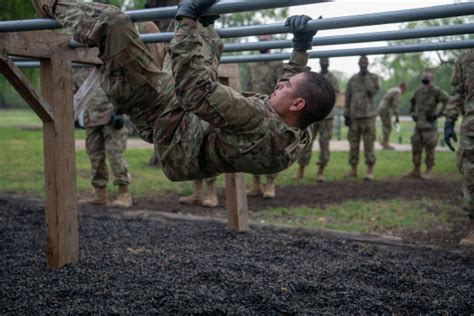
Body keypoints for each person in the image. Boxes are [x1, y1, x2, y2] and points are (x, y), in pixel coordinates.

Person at [31, 0, 335, 182]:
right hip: (181, 114)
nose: (278, 84)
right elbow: (299, 89)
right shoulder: (299, 132)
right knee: (154, 30)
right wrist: (301, 47)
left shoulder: (257, 119)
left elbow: (194, 89)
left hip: (160, 112)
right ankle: (193, 30)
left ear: (295, 105)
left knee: (114, 22)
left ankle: (49, 3)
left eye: (284, 87)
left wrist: (188, 20)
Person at [74, 69, 132, 208]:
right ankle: (100, 194)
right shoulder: (77, 72)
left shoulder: (108, 67)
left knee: (115, 156)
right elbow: (73, 94)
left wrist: (120, 112)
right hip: (91, 120)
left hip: (111, 118)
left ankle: (124, 194)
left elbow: (124, 90)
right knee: (95, 157)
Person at [246, 35, 284, 199]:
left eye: (266, 40)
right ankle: (256, 183)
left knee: (272, 146)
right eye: (260, 40)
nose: (263, 42)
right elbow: (248, 84)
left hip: (272, 110)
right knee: (254, 145)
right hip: (255, 108)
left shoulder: (277, 63)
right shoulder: (253, 62)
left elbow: (281, 86)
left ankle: (270, 183)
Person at [444, 49, 474, 246]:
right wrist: (450, 120)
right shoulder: (466, 57)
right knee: (471, 175)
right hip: (472, 124)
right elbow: (457, 92)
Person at [294, 57, 339, 181]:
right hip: (314, 116)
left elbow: (335, 95)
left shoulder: (333, 79)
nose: (324, 63)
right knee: (306, 143)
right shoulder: (316, 78)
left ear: (328, 63)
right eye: (322, 61)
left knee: (324, 144)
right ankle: (301, 170)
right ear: (319, 63)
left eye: (326, 61)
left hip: (327, 118)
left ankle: (321, 172)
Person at [405, 71, 448, 180]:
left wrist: (438, 114)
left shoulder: (436, 91)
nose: (425, 79)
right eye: (423, 77)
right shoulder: (418, 91)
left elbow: (447, 100)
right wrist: (413, 114)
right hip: (419, 125)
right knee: (416, 146)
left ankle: (429, 170)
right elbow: (412, 103)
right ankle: (416, 170)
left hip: (430, 125)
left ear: (432, 78)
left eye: (427, 77)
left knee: (430, 148)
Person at [344, 56, 380, 181]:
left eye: (365, 62)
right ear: (358, 63)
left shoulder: (373, 77)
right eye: (361, 62)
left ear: (368, 64)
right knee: (353, 144)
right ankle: (353, 169)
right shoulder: (352, 79)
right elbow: (347, 97)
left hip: (368, 117)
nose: (363, 64)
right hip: (354, 117)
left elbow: (373, 92)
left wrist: (366, 77)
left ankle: (370, 170)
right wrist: (346, 113)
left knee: (369, 144)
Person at [378, 82, 407, 150]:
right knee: (388, 126)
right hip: (386, 109)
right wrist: (397, 117)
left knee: (385, 125)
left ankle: (383, 141)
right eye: (405, 90)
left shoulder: (393, 89)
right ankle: (385, 143)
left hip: (382, 107)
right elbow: (395, 105)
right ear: (403, 88)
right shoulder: (398, 92)